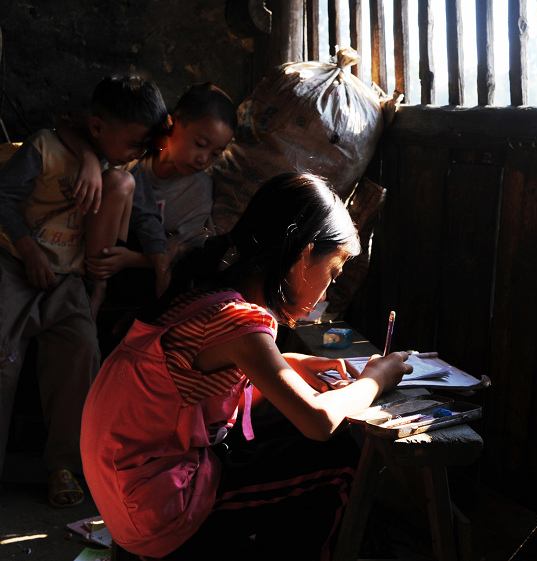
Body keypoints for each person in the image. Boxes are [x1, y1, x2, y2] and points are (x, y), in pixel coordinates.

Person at [81, 172, 412, 559]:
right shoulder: (239, 323)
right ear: (304, 254)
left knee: (283, 437)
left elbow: (214, 382)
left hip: (131, 493)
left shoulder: (205, 296)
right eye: (333, 272)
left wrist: (293, 365)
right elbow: (317, 422)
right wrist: (376, 378)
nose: (328, 289)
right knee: (337, 463)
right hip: (161, 512)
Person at [0, 73, 168, 507]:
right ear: (96, 128)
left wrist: (158, 260)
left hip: (68, 279)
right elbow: (2, 199)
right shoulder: (45, 149)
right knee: (2, 357)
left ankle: (64, 465)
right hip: (15, 265)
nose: (138, 154)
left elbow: (146, 213)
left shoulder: (123, 170)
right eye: (134, 144)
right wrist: (27, 250)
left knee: (81, 355)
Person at [84, 82, 237, 355]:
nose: (204, 159)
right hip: (94, 260)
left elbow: (183, 254)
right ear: (172, 124)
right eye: (200, 144)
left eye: (215, 153)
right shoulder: (131, 155)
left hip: (142, 275)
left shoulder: (198, 191)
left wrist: (131, 259)